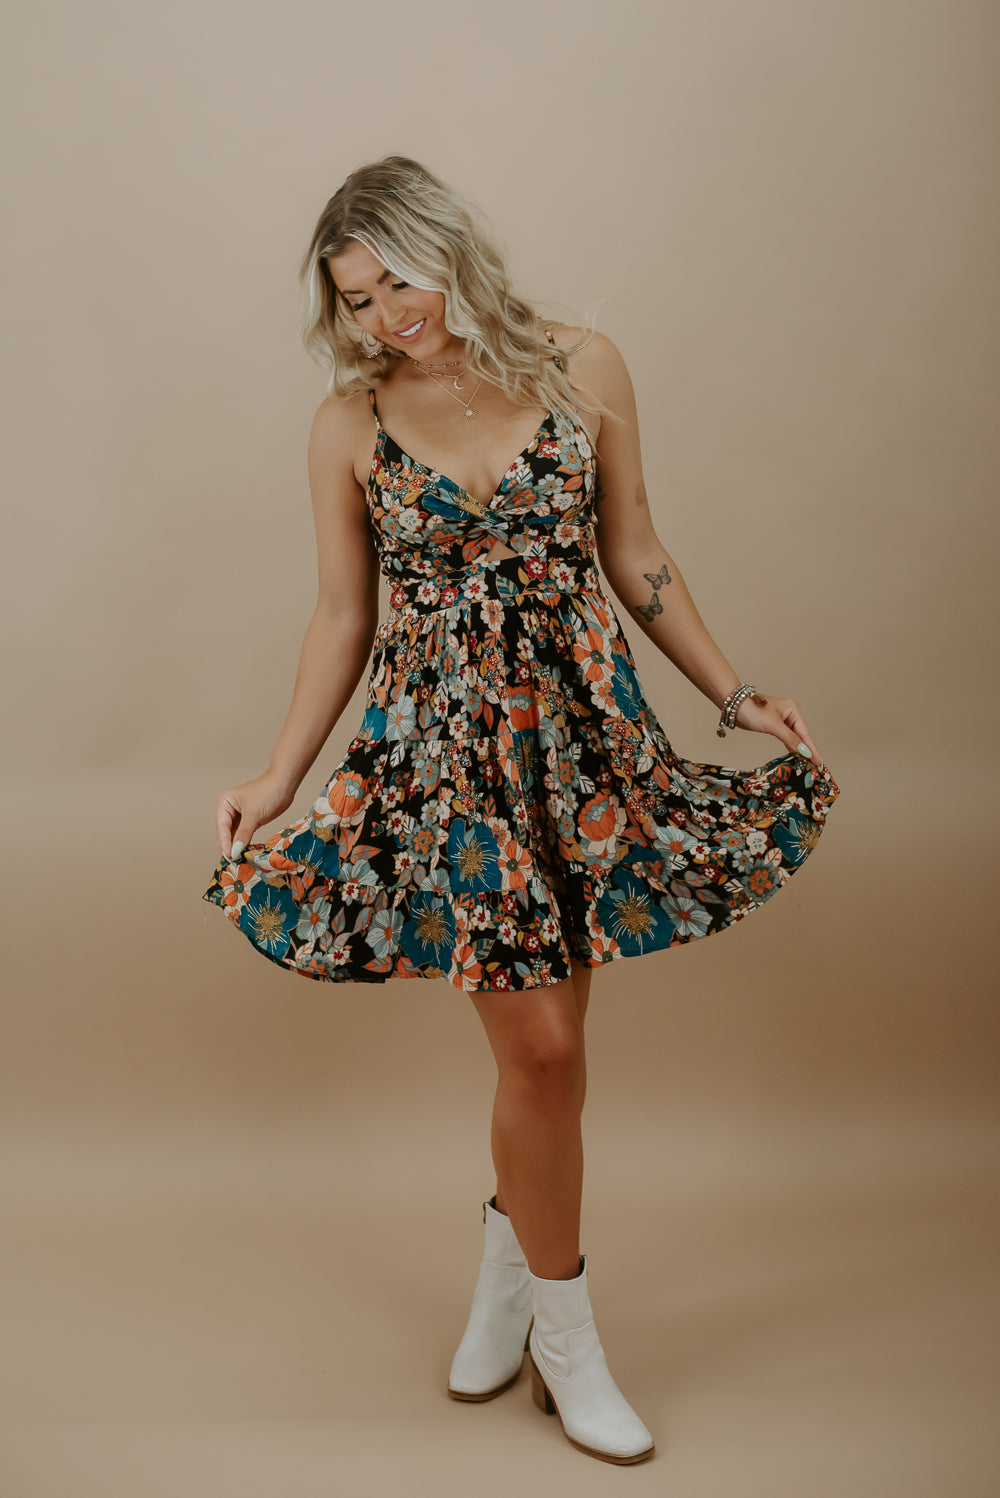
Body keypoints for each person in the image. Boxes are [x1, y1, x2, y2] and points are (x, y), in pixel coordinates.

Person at [202, 154, 840, 1465]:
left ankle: (506, 1265)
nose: (389, 316)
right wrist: (277, 776)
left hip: (583, 743)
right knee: (542, 1052)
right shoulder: (348, 423)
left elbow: (636, 552)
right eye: (358, 299)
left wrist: (737, 694)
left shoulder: (582, 366)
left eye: (400, 282)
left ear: (451, 249)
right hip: (450, 766)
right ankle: (569, 1335)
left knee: (547, 1060)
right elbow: (342, 618)